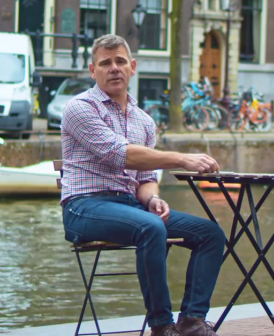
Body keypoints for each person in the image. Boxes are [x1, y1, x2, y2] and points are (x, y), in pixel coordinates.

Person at [60, 34, 225, 336]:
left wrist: (152, 200)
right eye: (105, 63)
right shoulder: (79, 108)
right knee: (151, 227)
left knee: (211, 234)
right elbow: (119, 153)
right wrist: (182, 159)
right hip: (84, 208)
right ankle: (162, 326)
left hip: (131, 207)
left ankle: (191, 320)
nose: (114, 68)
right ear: (92, 70)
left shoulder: (144, 122)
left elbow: (145, 180)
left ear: (132, 67)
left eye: (120, 61)